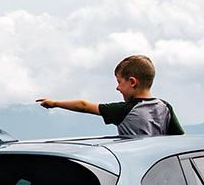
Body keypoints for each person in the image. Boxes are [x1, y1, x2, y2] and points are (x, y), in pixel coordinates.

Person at [37, 55, 183, 137]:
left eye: (119, 82)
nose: (117, 87)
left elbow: (84, 105)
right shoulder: (165, 107)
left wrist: (55, 103)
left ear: (132, 82)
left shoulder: (124, 110)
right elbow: (179, 139)